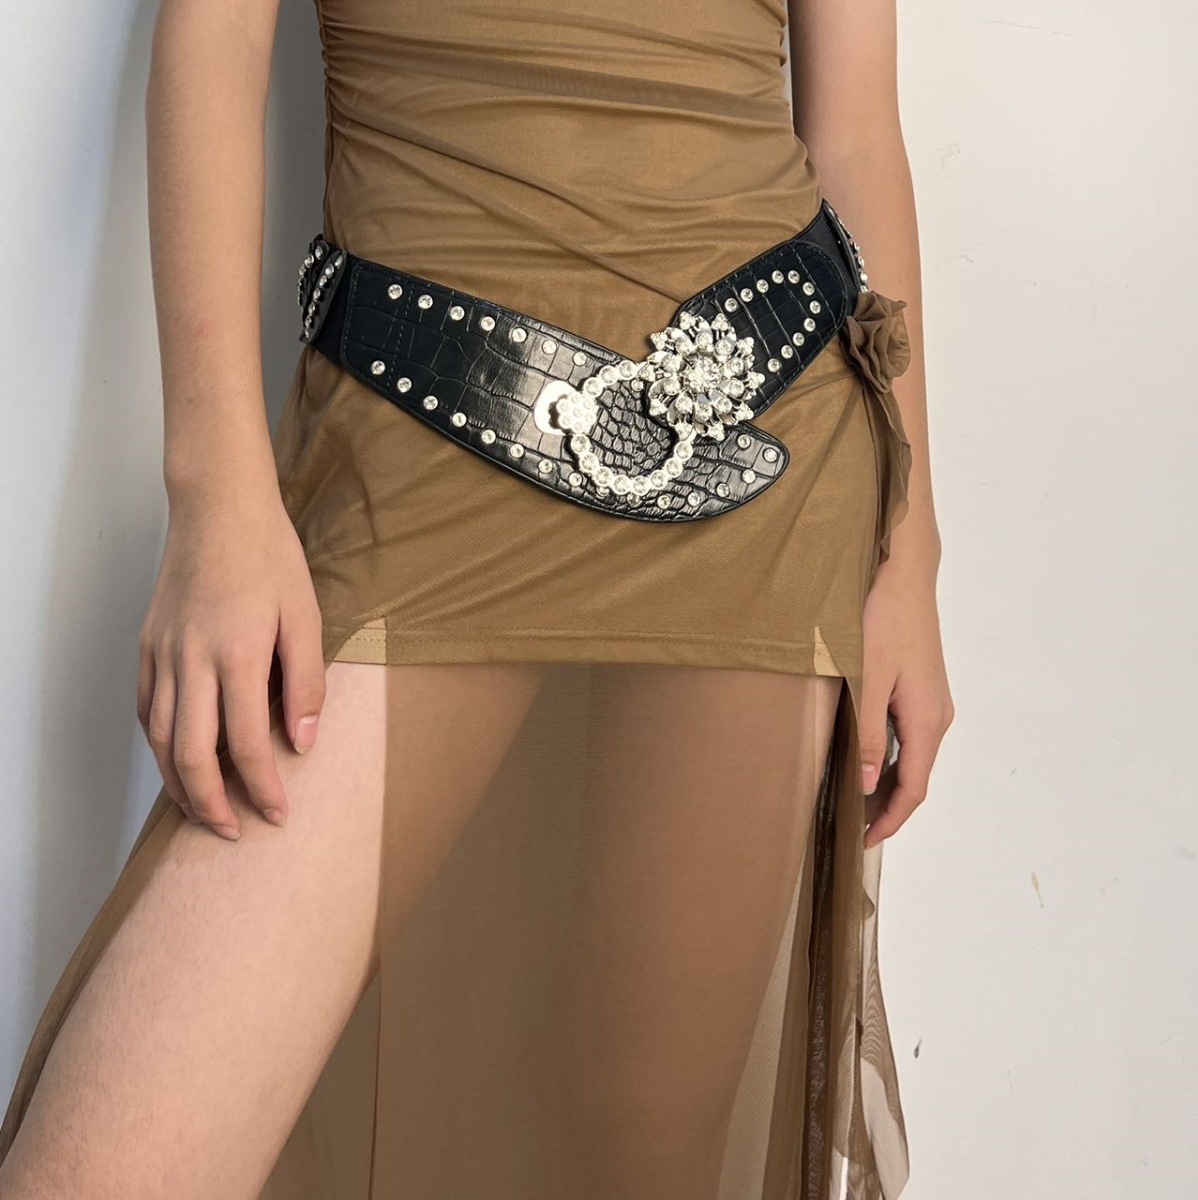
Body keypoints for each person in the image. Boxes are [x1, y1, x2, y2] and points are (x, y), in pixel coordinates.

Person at [0, 0, 953, 1197]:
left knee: (642, 1143)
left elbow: (855, 131)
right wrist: (214, 500)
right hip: (413, 442)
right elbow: (216, 39)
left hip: (766, 461)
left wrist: (908, 558)